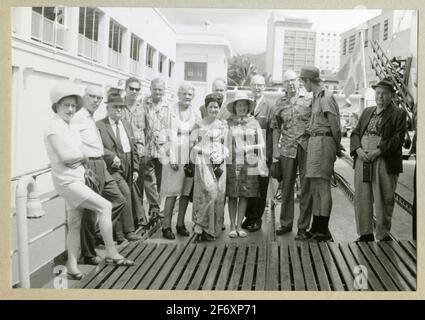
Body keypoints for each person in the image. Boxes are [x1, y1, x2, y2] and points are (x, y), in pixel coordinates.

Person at [44, 83, 133, 279]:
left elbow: (72, 154)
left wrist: (79, 157)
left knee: (75, 223)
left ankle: (72, 265)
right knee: (105, 206)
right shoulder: (54, 127)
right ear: (56, 106)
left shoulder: (66, 125)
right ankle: (111, 252)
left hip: (76, 177)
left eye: (73, 106)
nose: (70, 109)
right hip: (67, 182)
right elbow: (66, 157)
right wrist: (83, 156)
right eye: (65, 105)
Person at [72, 85, 138, 266]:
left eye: (98, 97)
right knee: (90, 212)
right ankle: (88, 253)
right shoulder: (77, 118)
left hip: (101, 164)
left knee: (119, 200)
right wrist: (82, 166)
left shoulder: (90, 118)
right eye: (92, 96)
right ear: (83, 97)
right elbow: (73, 144)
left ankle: (99, 234)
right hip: (90, 166)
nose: (95, 100)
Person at [350, 78, 407, 241]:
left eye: (384, 93)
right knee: (362, 196)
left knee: (384, 197)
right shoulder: (367, 111)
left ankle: (382, 234)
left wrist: (378, 151)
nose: (380, 96)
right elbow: (355, 132)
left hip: (383, 159)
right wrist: (358, 149)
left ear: (391, 96)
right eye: (378, 93)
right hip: (363, 157)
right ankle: (365, 233)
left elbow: (398, 139)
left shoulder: (398, 114)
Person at [299, 66, 341, 242]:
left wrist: (336, 146)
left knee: (323, 187)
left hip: (324, 142)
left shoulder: (326, 97)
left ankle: (322, 230)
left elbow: (336, 127)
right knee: (315, 188)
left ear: (309, 81)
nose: (303, 85)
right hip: (315, 142)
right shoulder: (316, 97)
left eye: (303, 81)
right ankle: (316, 227)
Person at [96, 91, 143, 242]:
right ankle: (128, 231)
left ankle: (119, 234)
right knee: (124, 195)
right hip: (112, 168)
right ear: (108, 108)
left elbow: (134, 147)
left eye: (121, 107)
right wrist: (111, 156)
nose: (118, 110)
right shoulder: (100, 125)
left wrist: (135, 168)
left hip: (128, 164)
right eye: (115, 107)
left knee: (123, 197)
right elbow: (97, 147)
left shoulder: (127, 125)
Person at [272, 70, 313, 240]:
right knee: (286, 187)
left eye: (293, 80)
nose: (290, 84)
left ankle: (303, 226)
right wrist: (275, 149)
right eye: (287, 81)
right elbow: (275, 127)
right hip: (287, 148)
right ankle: (286, 223)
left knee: (306, 188)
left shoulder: (309, 99)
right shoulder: (279, 102)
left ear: (299, 82)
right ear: (283, 84)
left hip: (306, 147)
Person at [160, 82, 201, 239]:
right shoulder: (170, 110)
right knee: (172, 192)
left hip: (189, 154)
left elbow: (198, 134)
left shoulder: (195, 112)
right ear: (179, 94)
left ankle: (180, 224)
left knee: (185, 191)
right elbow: (164, 135)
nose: (187, 97)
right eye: (184, 93)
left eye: (190, 94)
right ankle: (166, 226)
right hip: (173, 153)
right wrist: (171, 155)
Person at [226, 92, 265, 238]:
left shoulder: (254, 122)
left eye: (244, 105)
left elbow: (261, 143)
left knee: (244, 194)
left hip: (249, 162)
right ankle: (231, 226)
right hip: (232, 161)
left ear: (248, 107)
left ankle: (239, 225)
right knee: (232, 194)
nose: (242, 107)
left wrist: (248, 148)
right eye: (239, 105)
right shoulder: (228, 122)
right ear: (235, 107)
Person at [191, 93, 228, 242]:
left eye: (216, 107)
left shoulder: (223, 125)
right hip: (203, 162)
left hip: (219, 163)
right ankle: (200, 225)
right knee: (206, 193)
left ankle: (212, 230)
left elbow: (227, 145)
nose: (213, 109)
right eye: (211, 106)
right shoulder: (198, 124)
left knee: (218, 195)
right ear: (206, 108)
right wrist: (204, 151)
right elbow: (192, 145)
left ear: (219, 108)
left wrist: (222, 155)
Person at [243, 75, 274, 232]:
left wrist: (269, 154)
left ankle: (257, 218)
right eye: (254, 85)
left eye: (260, 85)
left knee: (261, 187)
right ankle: (248, 216)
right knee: (248, 185)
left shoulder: (269, 106)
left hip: (262, 153)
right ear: (250, 86)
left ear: (264, 87)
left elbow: (272, 132)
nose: (257, 88)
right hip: (247, 153)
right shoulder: (246, 105)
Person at [122, 77, 148, 227]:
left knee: (139, 187)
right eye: (131, 88)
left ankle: (138, 219)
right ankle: (127, 222)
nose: (134, 91)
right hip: (124, 154)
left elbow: (147, 130)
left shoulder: (142, 107)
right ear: (125, 89)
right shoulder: (119, 106)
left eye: (137, 89)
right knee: (125, 188)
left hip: (140, 153)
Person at [142, 78, 168, 220]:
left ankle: (157, 204)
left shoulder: (167, 106)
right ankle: (154, 207)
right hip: (148, 147)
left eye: (160, 89)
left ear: (163, 90)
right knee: (149, 179)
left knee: (161, 179)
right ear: (151, 89)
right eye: (155, 89)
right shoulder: (144, 103)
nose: (157, 92)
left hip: (163, 148)